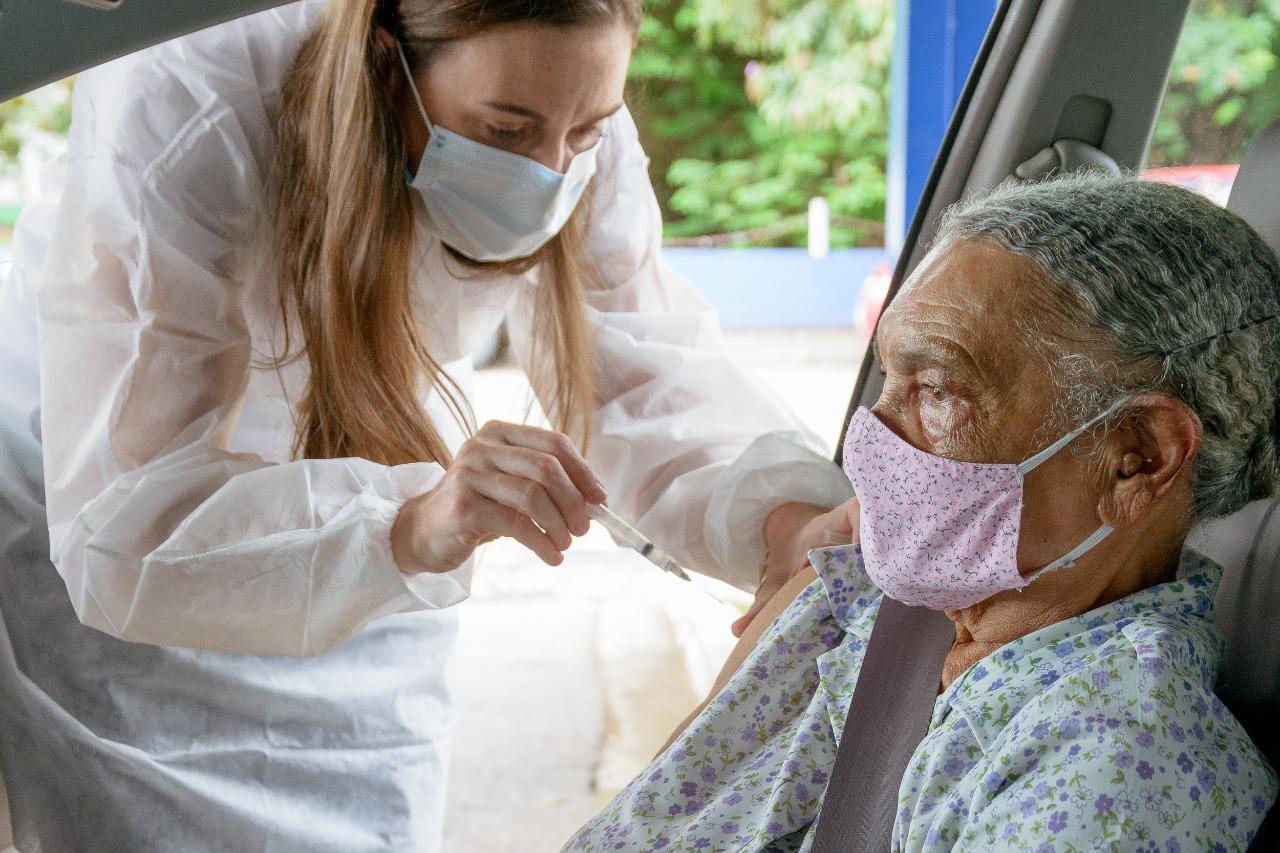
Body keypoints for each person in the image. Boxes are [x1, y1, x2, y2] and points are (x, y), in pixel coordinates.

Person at [0, 0, 853, 849]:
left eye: (587, 132)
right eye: (507, 131)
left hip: (364, 541)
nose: (552, 172)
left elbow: (638, 372)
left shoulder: (570, 113)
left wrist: (786, 524)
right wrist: (412, 521)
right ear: (386, 59)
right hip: (113, 574)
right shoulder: (190, 93)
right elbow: (128, 527)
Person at [564, 173, 1280, 852]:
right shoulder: (853, 601)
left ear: (1138, 458)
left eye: (937, 391)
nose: (869, 438)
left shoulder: (1117, 779)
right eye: (886, 377)